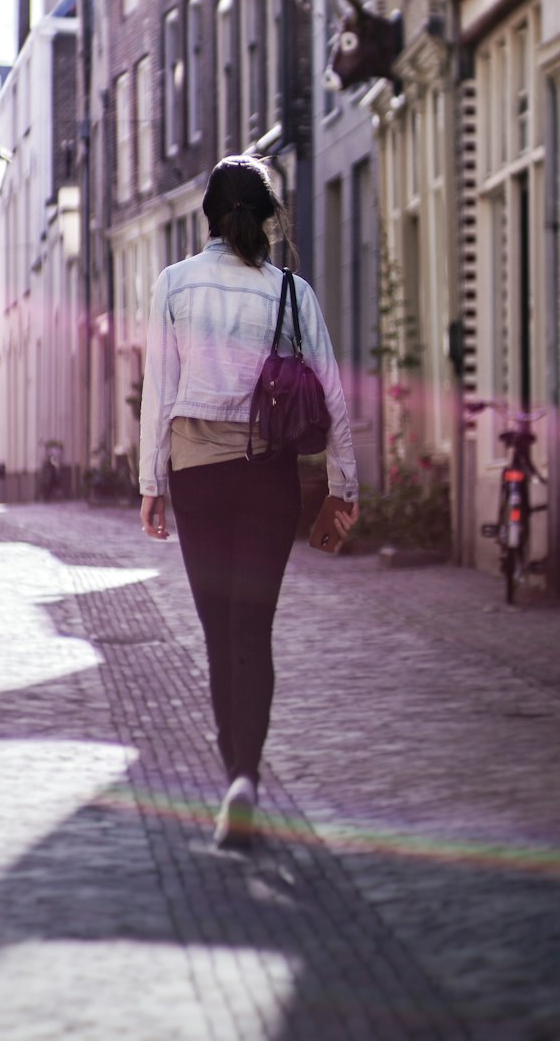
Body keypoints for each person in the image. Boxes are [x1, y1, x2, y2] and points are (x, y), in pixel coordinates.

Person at [139, 156, 358, 849]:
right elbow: (335, 397)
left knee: (217, 633)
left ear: (207, 218)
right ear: (267, 220)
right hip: (271, 478)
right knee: (252, 632)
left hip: (198, 477)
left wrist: (152, 485)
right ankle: (245, 779)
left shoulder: (174, 285)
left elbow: (158, 395)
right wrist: (345, 489)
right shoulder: (293, 292)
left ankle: (234, 775)